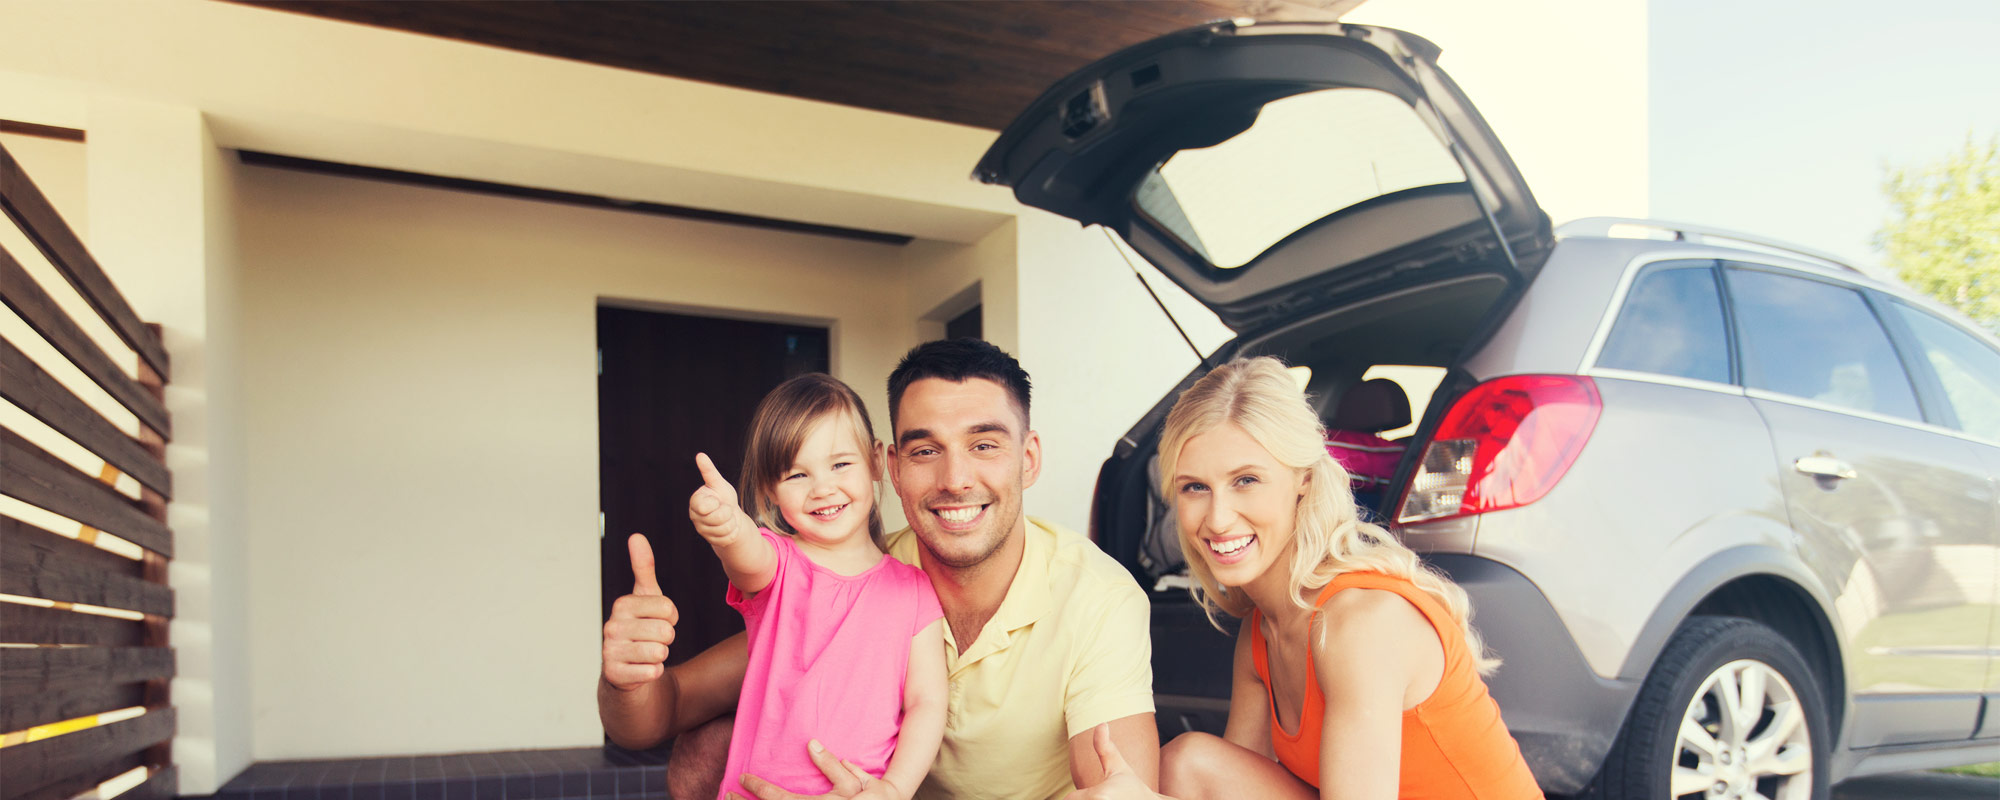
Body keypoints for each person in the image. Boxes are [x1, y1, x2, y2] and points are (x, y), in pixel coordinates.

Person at [600, 338, 1160, 800]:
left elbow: (1117, 786)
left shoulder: (1098, 598)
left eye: (985, 444)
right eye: (925, 451)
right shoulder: (848, 575)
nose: (956, 478)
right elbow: (657, 713)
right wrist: (627, 676)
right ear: (888, 466)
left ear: (1028, 458)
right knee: (702, 750)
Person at [1068, 356, 1542, 800]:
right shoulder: (1262, 633)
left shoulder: (1363, 622)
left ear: (1304, 481)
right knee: (1187, 766)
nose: (1217, 518)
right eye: (1195, 487)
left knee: (1185, 767)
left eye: (1246, 480)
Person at [683, 373, 947, 800]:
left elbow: (927, 703)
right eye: (796, 475)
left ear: (875, 461)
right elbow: (747, 558)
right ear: (770, 491)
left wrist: (894, 790)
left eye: (841, 464)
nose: (823, 488)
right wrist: (730, 529)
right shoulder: (779, 563)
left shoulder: (914, 590)